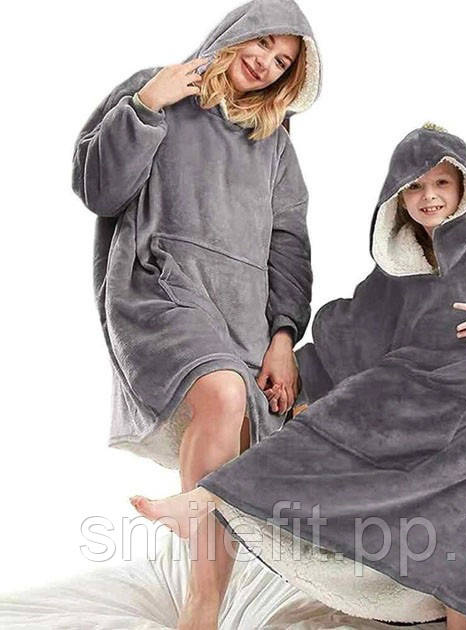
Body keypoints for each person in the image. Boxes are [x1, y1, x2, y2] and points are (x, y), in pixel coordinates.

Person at [130, 121, 466, 628]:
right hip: (409, 395)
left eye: (441, 183)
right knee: (327, 423)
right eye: (415, 187)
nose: (429, 197)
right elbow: (356, 331)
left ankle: (459, 621)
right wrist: (302, 375)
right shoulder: (402, 264)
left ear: (465, 184)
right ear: (398, 197)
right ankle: (207, 499)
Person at [70, 0, 322, 627]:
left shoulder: (276, 146)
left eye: (282, 62)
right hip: (160, 286)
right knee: (223, 392)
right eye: (261, 44)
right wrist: (145, 106)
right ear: (236, 34)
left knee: (247, 434)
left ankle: (202, 604)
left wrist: (283, 336)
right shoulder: (158, 90)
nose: (265, 63)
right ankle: (203, 593)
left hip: (241, 312)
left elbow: (289, 245)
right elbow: (98, 190)